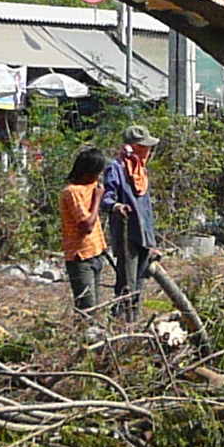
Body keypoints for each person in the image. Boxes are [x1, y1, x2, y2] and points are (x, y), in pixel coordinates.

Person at [100, 124, 157, 312]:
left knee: (139, 284)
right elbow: (106, 198)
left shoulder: (141, 170)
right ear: (133, 147)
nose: (148, 150)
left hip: (144, 236)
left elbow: (146, 208)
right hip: (128, 236)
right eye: (145, 146)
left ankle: (133, 322)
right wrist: (116, 206)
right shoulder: (116, 168)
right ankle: (121, 323)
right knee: (127, 284)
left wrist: (151, 241)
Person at [57, 144, 111, 316]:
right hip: (80, 257)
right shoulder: (72, 192)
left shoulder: (92, 187)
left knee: (94, 306)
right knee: (87, 310)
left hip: (95, 253)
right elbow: (86, 226)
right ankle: (83, 339)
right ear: (86, 172)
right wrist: (97, 200)